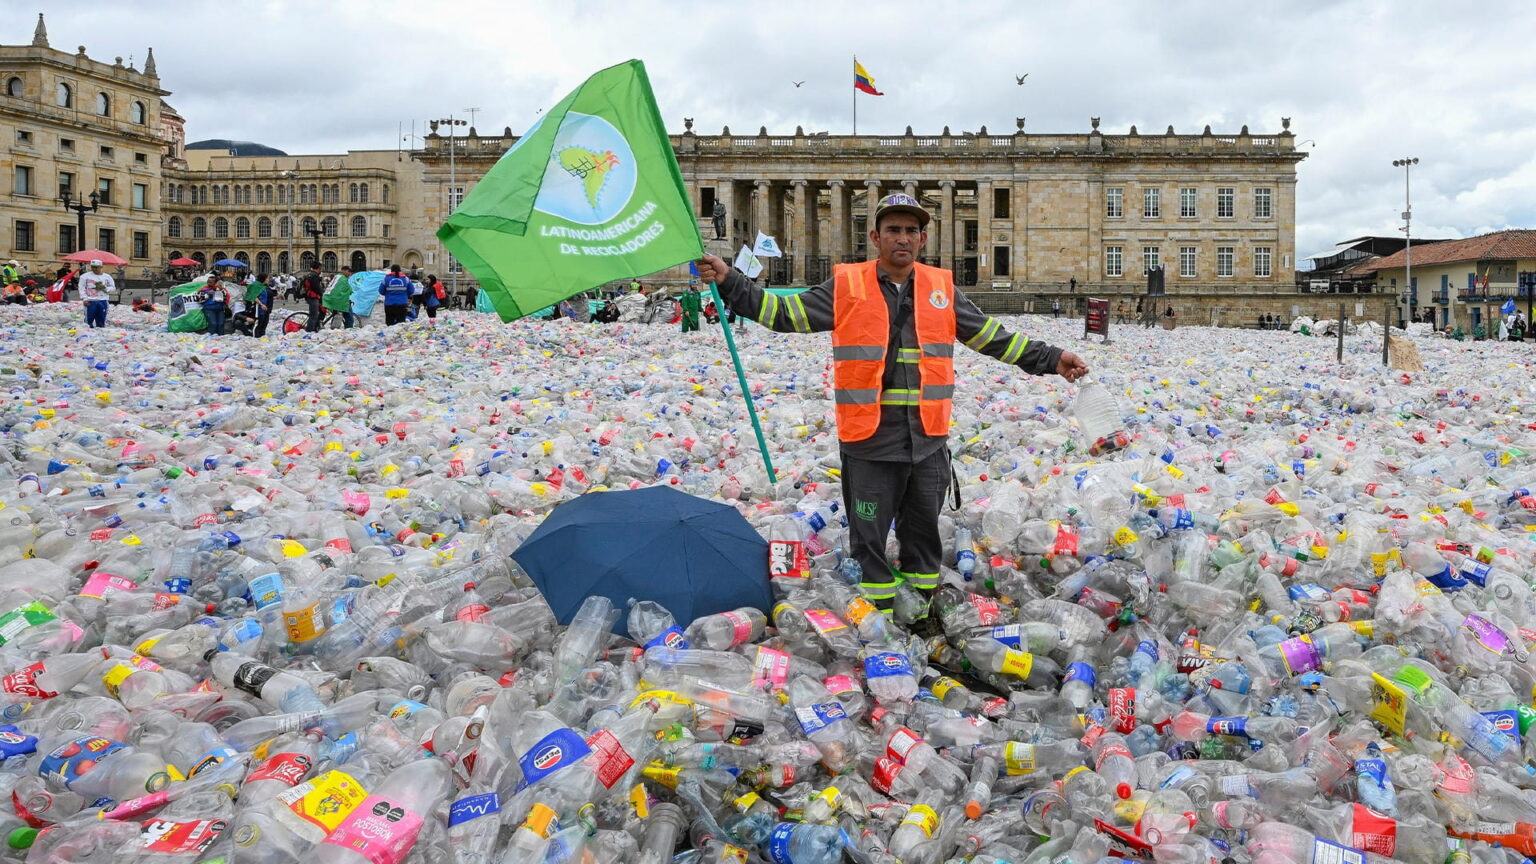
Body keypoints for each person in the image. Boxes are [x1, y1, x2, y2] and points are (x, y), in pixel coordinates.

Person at [694, 193, 1087, 620]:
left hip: (927, 440)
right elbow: (784, 313)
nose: (903, 238)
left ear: (923, 240)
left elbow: (992, 336)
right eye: (894, 230)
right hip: (870, 440)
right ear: (875, 237)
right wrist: (731, 280)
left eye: (911, 231)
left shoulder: (941, 289)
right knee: (870, 544)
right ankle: (877, 623)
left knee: (924, 542)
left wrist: (1051, 358)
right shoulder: (848, 285)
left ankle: (922, 617)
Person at [78, 259, 115, 328]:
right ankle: (88, 334)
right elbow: (81, 288)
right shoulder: (84, 276)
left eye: (96, 267)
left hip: (103, 300)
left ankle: (99, 334)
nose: (94, 269)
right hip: (90, 301)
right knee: (88, 322)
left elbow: (113, 287)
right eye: (92, 267)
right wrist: (84, 299)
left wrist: (104, 288)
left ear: (101, 267)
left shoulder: (107, 277)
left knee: (101, 320)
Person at [300, 263, 326, 332]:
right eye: (320, 268)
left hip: (309, 296)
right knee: (313, 315)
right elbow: (316, 288)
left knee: (321, 311)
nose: (321, 270)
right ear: (318, 268)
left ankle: (316, 326)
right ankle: (310, 331)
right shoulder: (314, 276)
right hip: (313, 297)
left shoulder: (308, 275)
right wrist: (322, 293)